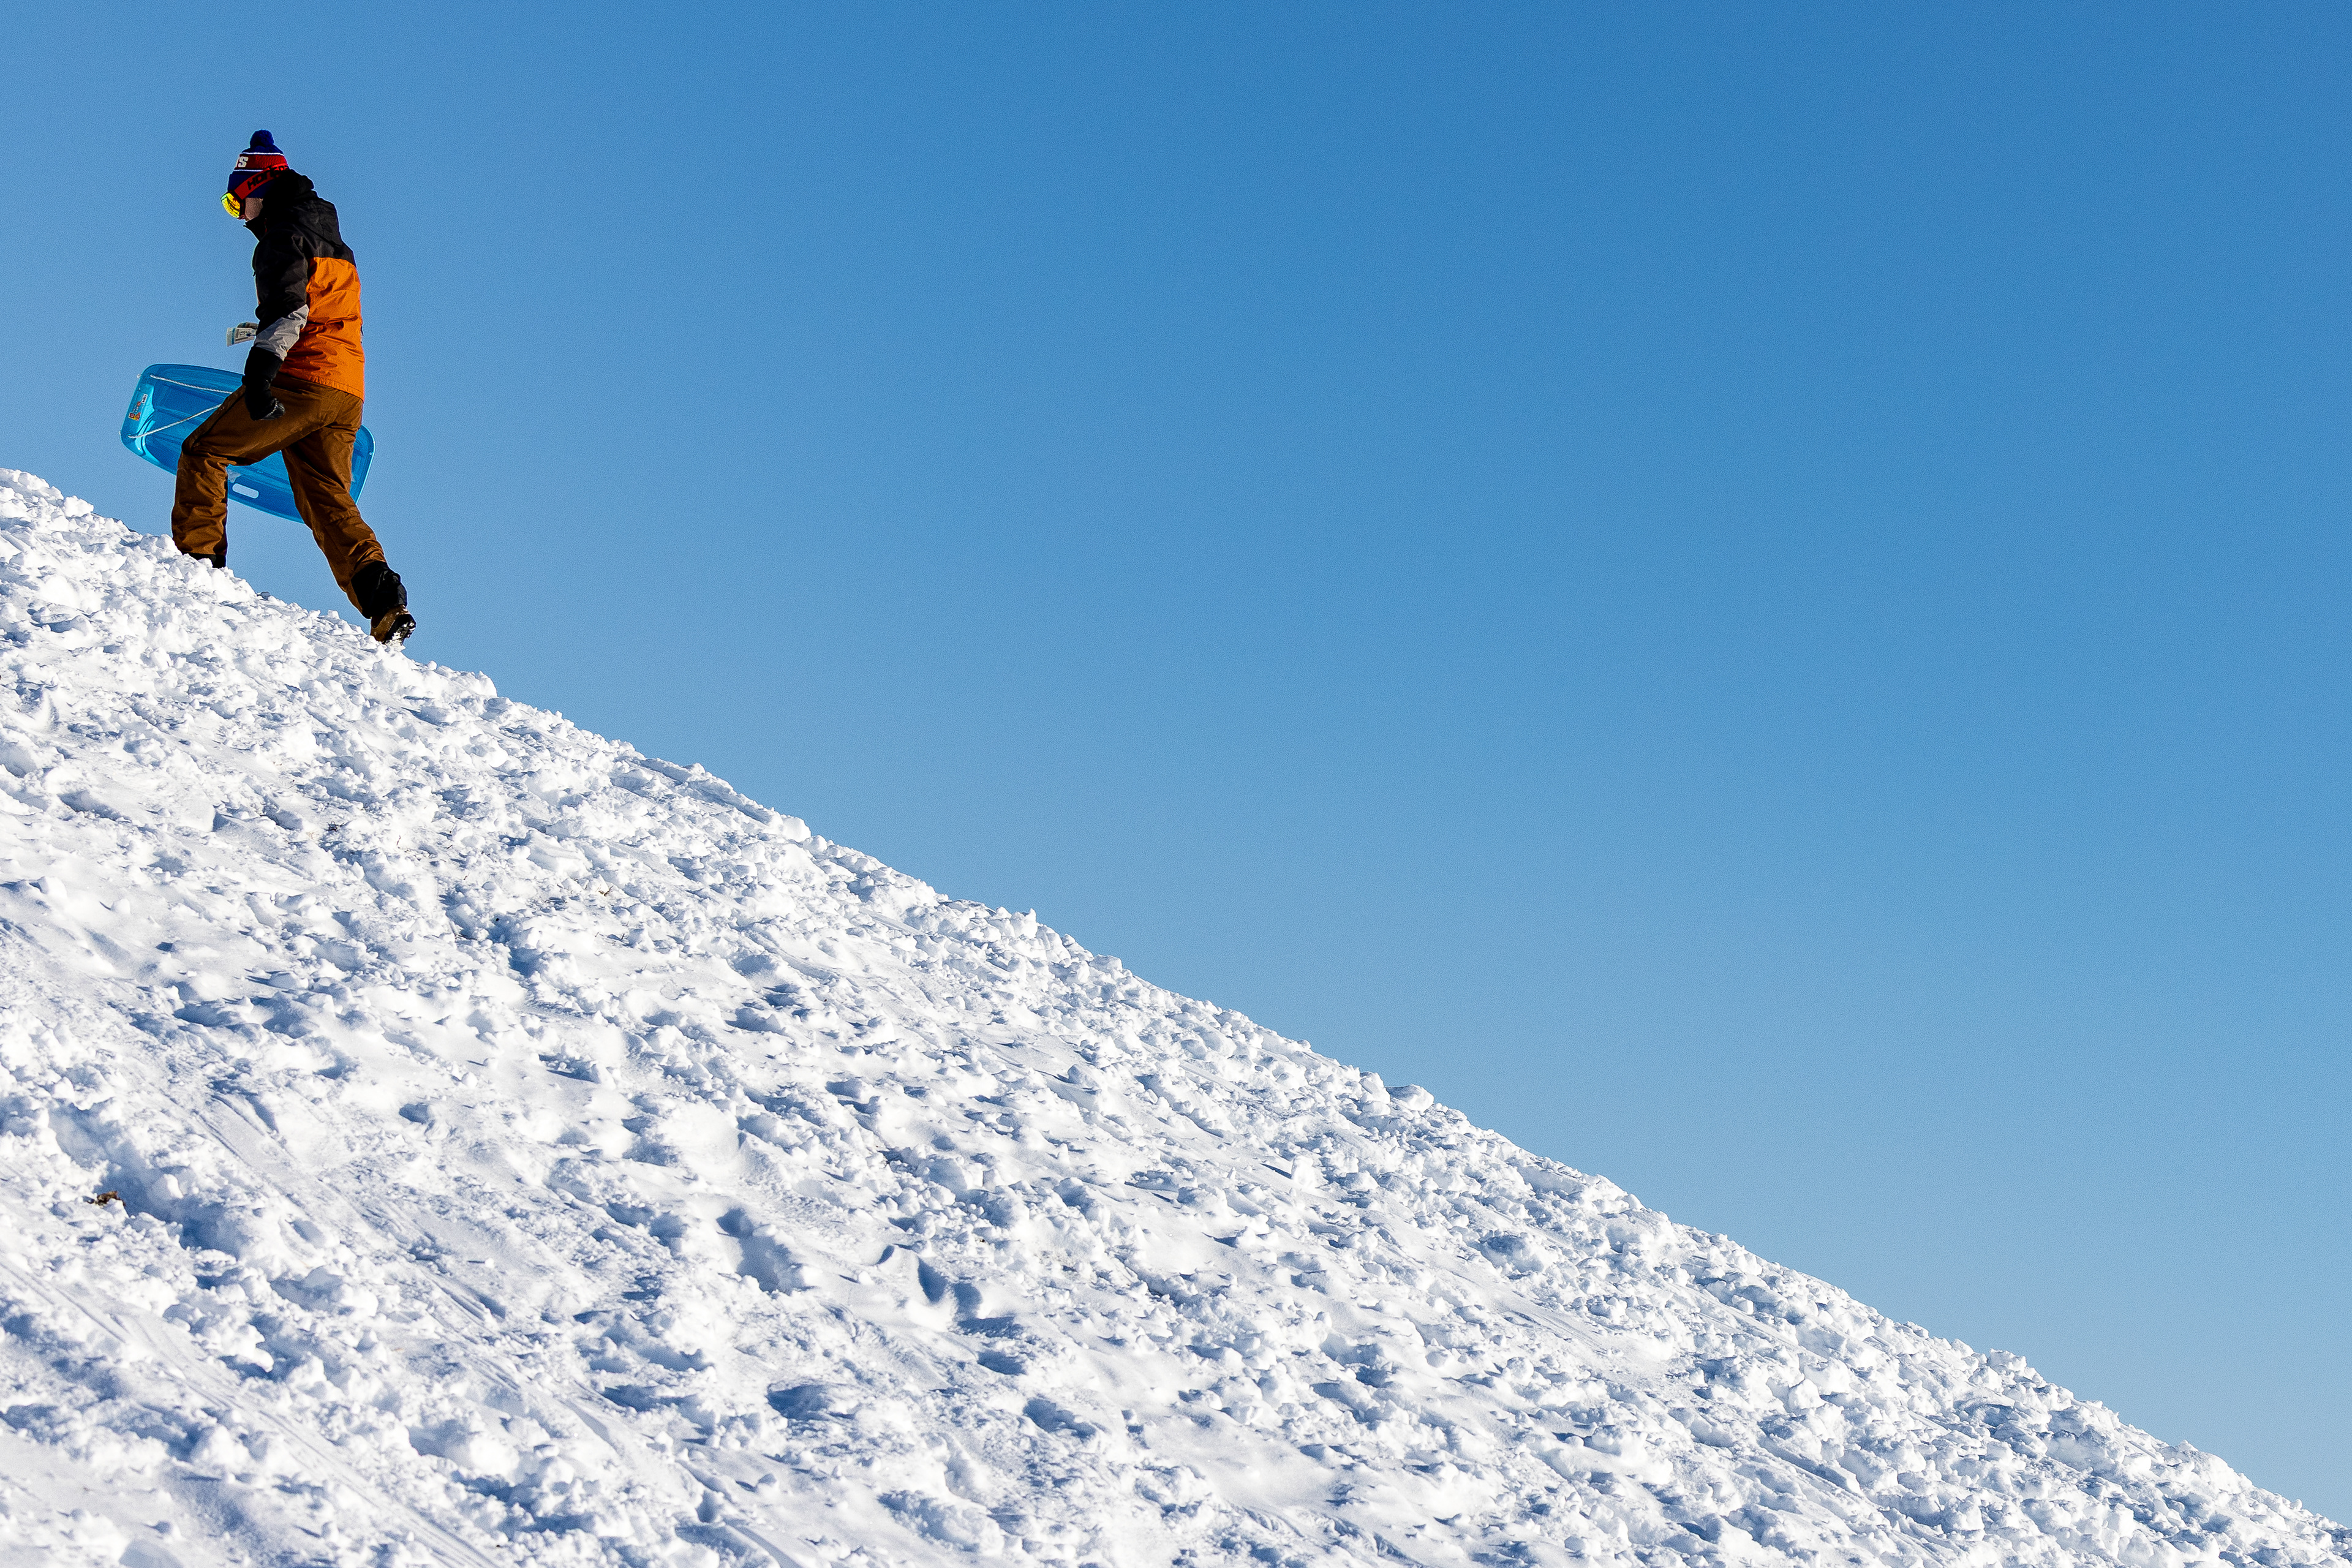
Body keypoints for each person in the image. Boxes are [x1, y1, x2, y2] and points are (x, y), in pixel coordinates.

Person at [173, 130, 413, 644]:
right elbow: (318, 310)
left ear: (258, 186)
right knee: (325, 497)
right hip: (347, 391)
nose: (239, 216)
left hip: (302, 380)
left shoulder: (283, 236)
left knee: (205, 452)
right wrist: (259, 334)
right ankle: (384, 599)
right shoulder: (333, 240)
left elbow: (289, 311)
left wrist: (261, 370)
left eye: (235, 200)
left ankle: (194, 571)